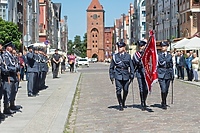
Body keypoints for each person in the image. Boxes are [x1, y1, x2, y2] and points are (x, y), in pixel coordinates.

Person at [109, 41, 134, 111]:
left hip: (126, 74)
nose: (119, 48)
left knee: (125, 90)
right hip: (118, 74)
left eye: (121, 47)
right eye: (118, 47)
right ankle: (120, 103)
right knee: (118, 90)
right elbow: (111, 67)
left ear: (124, 48)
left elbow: (131, 66)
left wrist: (132, 74)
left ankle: (123, 101)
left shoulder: (128, 56)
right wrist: (111, 75)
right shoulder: (115, 56)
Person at [157, 42, 174, 110]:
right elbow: (157, 65)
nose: (163, 47)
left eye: (164, 46)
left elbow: (171, 66)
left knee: (166, 90)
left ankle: (163, 100)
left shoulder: (169, 56)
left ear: (167, 47)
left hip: (168, 74)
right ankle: (164, 102)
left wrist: (172, 74)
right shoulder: (158, 55)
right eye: (162, 46)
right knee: (163, 89)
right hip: (161, 73)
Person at [132, 40, 148, 111]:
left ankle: (144, 99)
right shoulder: (136, 55)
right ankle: (142, 102)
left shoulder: (147, 54)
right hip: (139, 72)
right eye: (140, 46)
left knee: (146, 89)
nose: (142, 47)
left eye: (143, 46)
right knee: (141, 88)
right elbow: (135, 63)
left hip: (146, 73)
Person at [1, 42, 17, 114]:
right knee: (8, 93)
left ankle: (11, 105)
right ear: (7, 47)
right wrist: (14, 69)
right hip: (8, 76)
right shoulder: (6, 56)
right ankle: (6, 108)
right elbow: (6, 66)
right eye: (11, 47)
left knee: (13, 91)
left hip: (13, 76)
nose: (12, 48)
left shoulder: (11, 56)